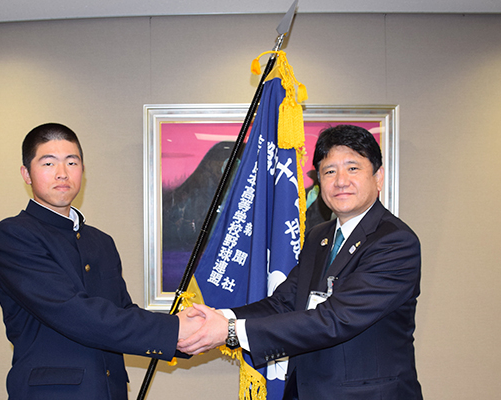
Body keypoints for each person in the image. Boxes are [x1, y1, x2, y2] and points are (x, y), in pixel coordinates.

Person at [178, 125, 423, 399]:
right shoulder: (319, 237)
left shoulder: (395, 242)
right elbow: (282, 303)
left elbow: (335, 320)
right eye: (329, 171)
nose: (340, 181)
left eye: (352, 168)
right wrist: (219, 318)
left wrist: (231, 331)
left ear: (378, 177)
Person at [0, 123, 202, 400]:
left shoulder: (101, 241)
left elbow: (123, 310)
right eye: (48, 163)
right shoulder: (13, 235)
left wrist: (189, 336)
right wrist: (175, 330)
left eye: (72, 162)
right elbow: (74, 312)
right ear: (26, 174)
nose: (62, 173)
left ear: (83, 170)